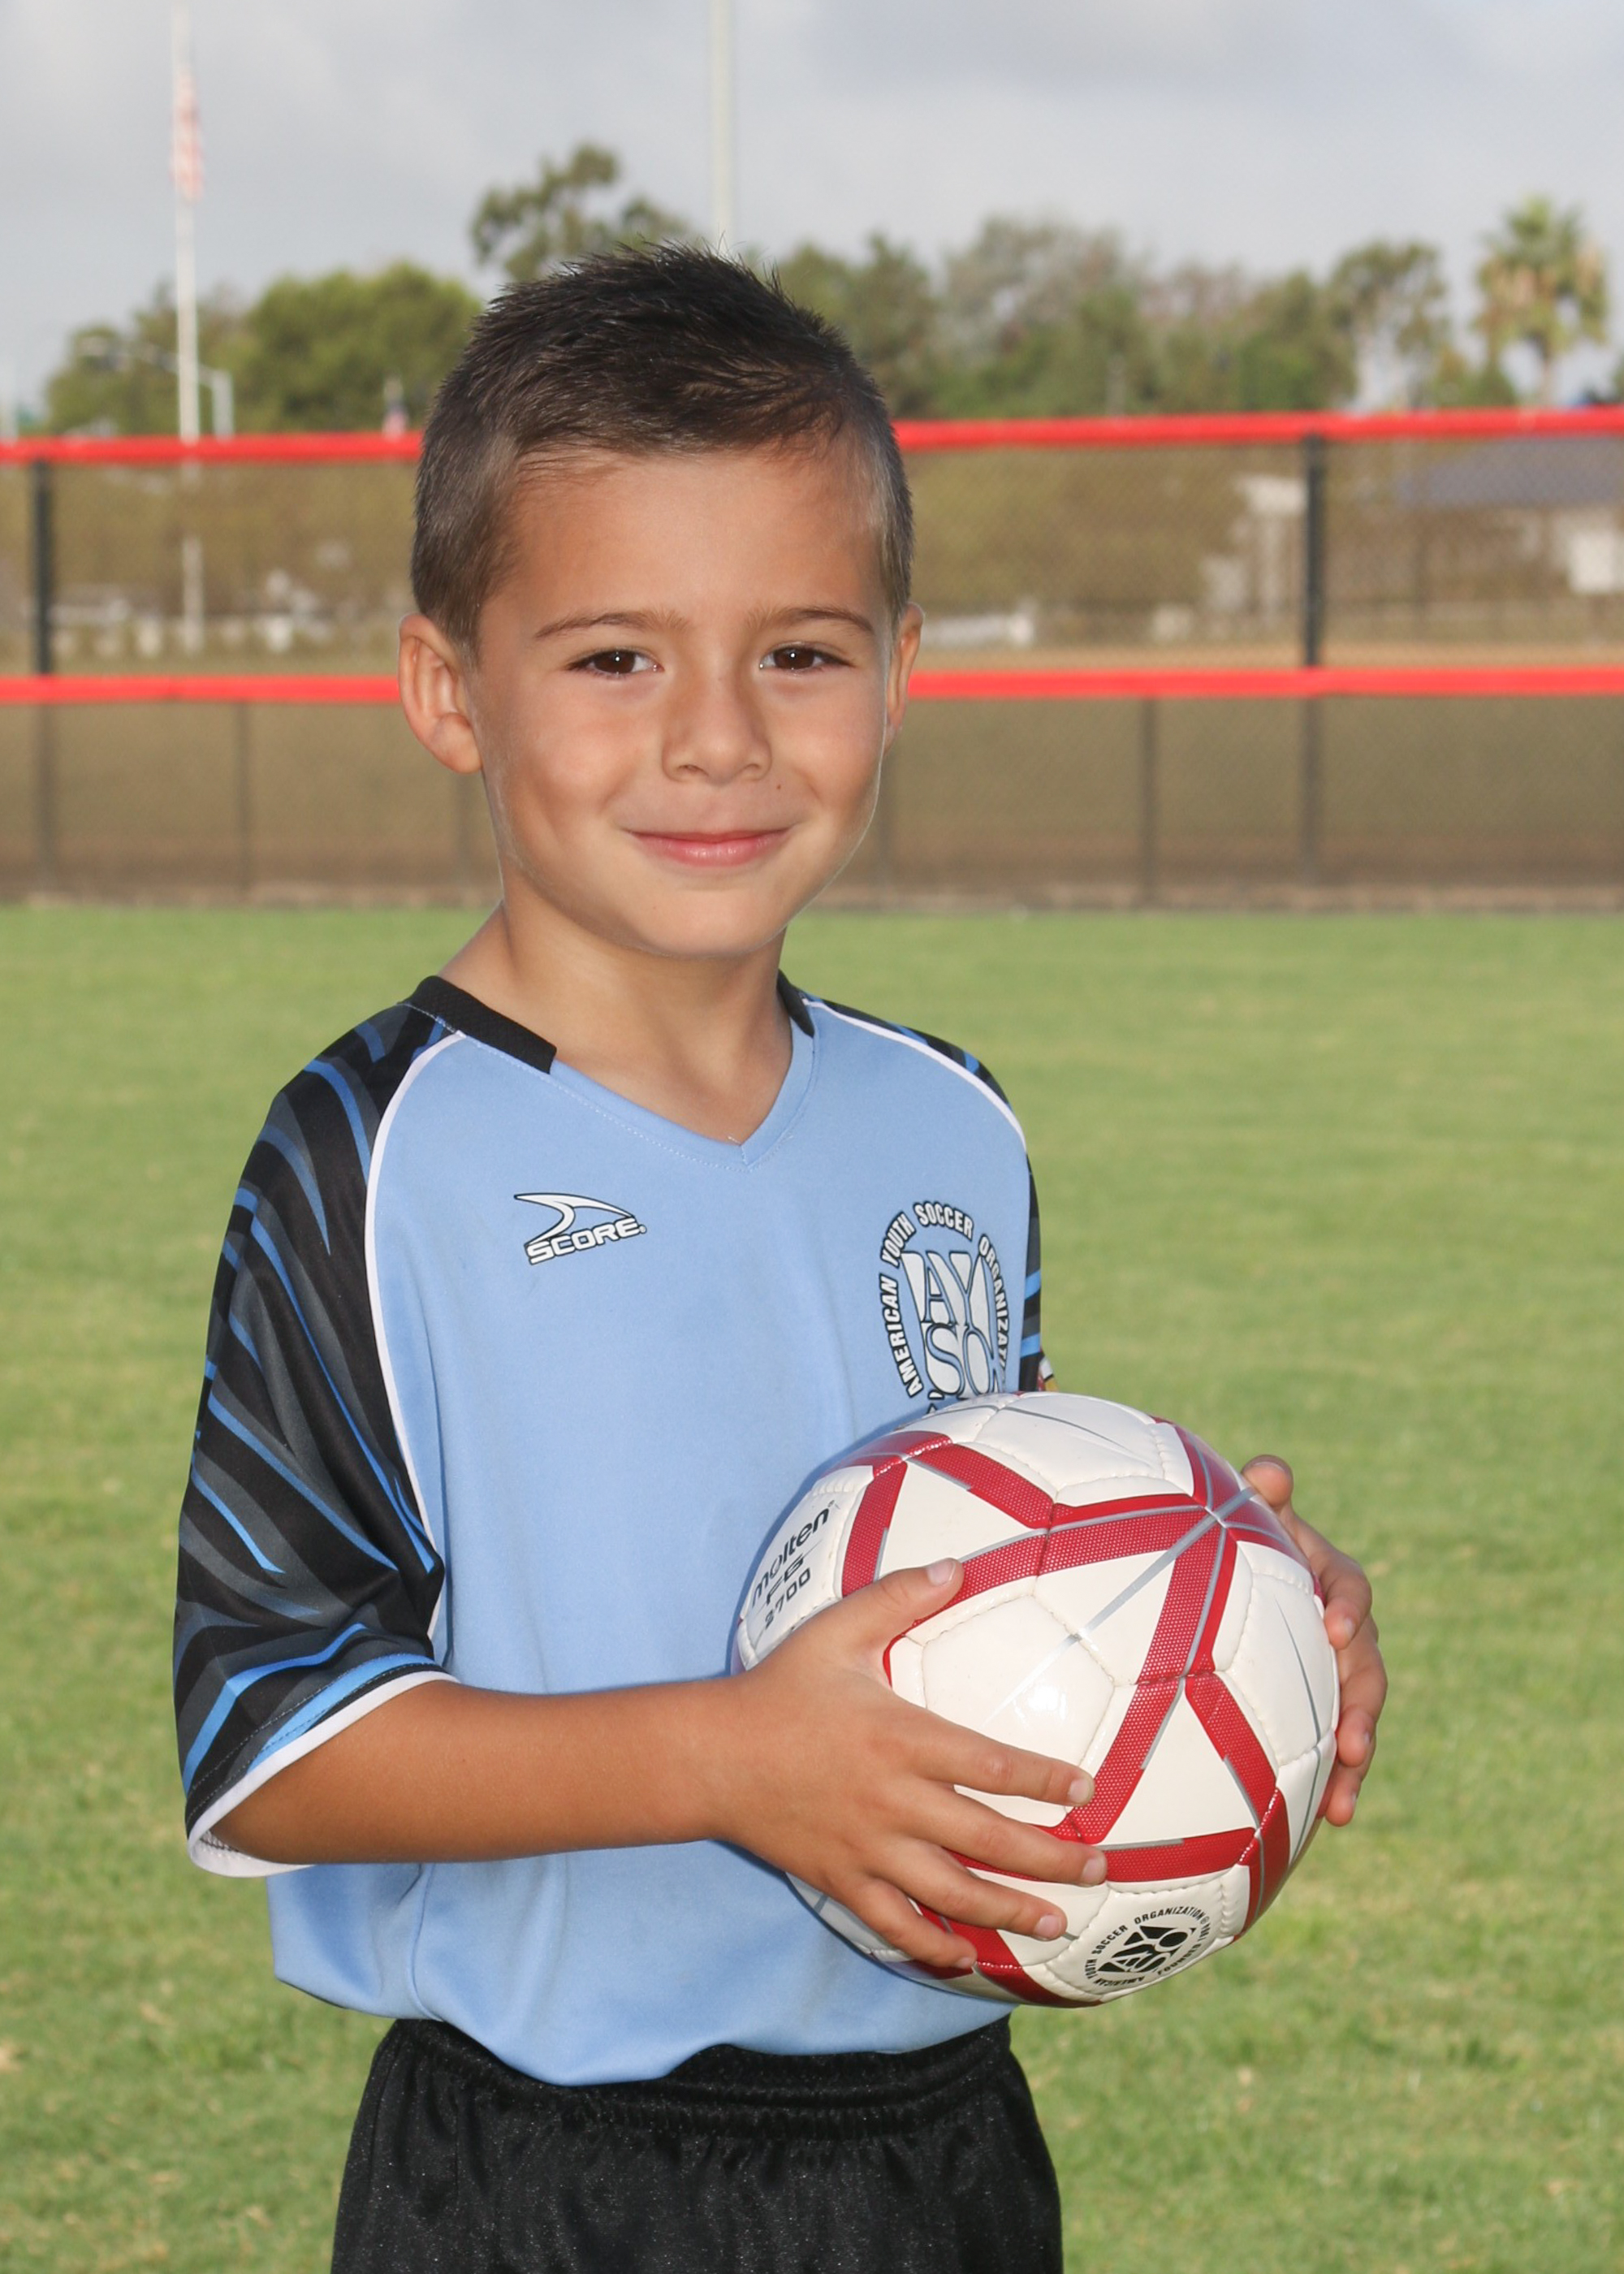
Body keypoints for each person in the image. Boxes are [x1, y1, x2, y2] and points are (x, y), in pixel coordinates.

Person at [173, 248, 1386, 2274]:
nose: (718, 737)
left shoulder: (952, 1124)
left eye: (800, 653)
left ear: (899, 669)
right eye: (613, 658)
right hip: (548, 2171)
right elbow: (271, 1739)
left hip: (941, 2149)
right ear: (447, 689)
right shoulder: (372, 1153)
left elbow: (979, 1558)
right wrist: (735, 1757)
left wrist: (1219, 1594)